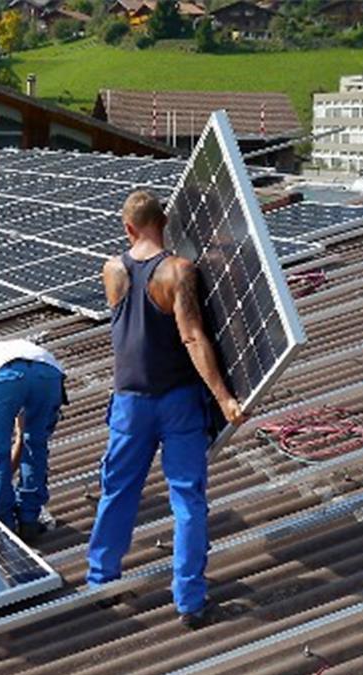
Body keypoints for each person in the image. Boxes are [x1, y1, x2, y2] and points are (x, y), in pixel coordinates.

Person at [86, 189, 247, 630]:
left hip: (128, 403)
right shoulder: (178, 271)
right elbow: (192, 337)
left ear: (128, 227)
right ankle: (189, 602)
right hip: (177, 402)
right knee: (187, 500)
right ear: (166, 223)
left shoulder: (112, 270)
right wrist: (224, 397)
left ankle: (102, 581)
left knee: (118, 492)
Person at [0, 339, 65, 541]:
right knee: (36, 443)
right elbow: (23, 439)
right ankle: (29, 519)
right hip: (49, 374)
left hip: (6, 377)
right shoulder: (10, 352)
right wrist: (8, 472)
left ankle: (4, 522)